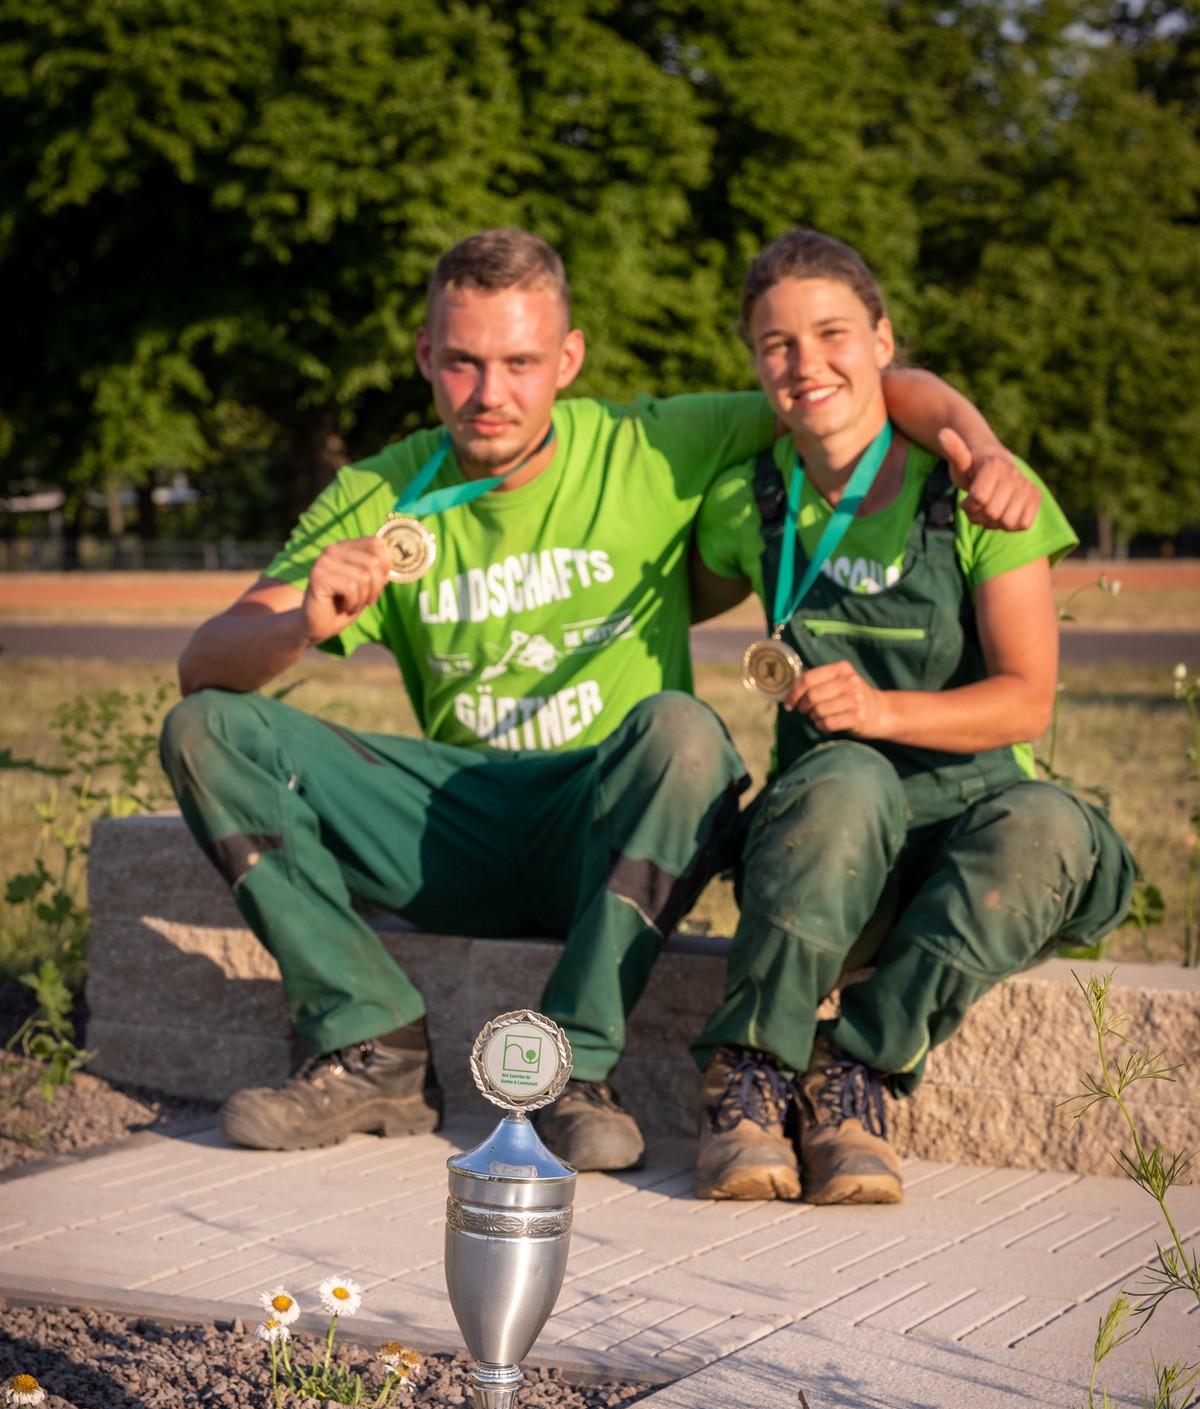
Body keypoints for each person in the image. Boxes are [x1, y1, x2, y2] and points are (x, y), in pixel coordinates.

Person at [163, 227, 1043, 1171]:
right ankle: (369, 1037)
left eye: (520, 362)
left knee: (685, 731)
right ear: (426, 356)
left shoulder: (650, 444)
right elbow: (206, 658)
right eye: (461, 362)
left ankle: (571, 1071)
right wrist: (302, 618)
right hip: (450, 821)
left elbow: (851, 388)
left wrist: (979, 443)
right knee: (206, 728)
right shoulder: (380, 491)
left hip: (611, 824)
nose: (489, 393)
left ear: (568, 359)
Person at [689, 227, 1135, 1205]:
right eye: (778, 344)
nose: (808, 364)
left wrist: (882, 705)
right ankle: (751, 1076)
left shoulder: (974, 491)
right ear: (754, 361)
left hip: (969, 818)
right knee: (848, 776)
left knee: (1051, 823)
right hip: (830, 844)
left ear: (884, 342)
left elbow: (1027, 697)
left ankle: (858, 1071)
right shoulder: (749, 495)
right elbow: (659, 597)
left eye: (833, 332)